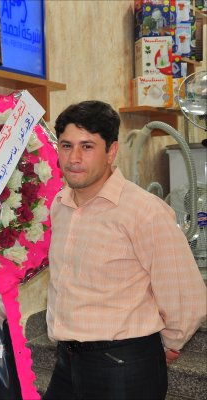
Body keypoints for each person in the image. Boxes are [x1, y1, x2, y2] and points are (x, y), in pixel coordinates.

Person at [44, 100, 206, 399]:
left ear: (111, 151)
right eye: (66, 146)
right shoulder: (60, 205)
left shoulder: (143, 211)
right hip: (67, 359)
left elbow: (185, 295)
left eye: (87, 146)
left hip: (123, 364)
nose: (74, 158)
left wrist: (170, 343)